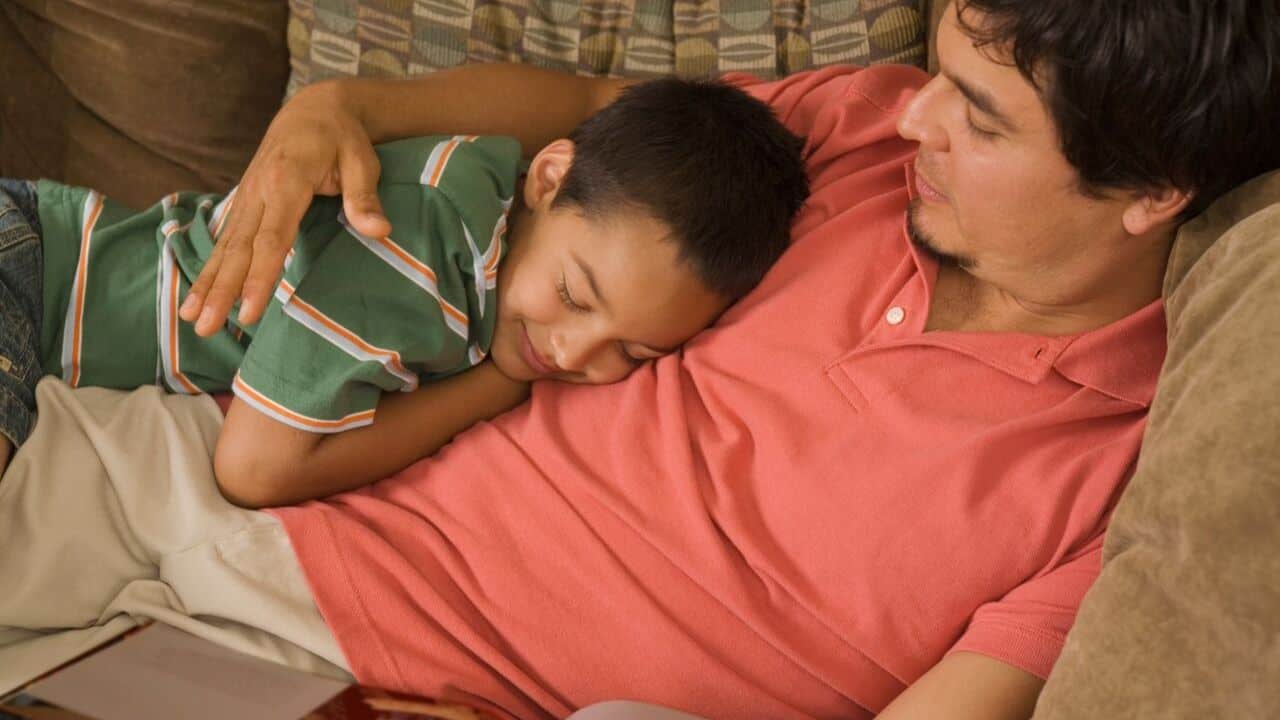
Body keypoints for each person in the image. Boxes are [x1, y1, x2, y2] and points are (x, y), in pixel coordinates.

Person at [2, 0, 1277, 718]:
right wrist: (350, 110)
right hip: (263, 499)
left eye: (978, 116)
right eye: (937, 71)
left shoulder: (1130, 458)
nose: (914, 113)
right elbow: (582, 126)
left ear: (1147, 192)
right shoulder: (851, 134)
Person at [0, 78, 808, 506]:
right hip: (32, 281)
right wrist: (497, 384)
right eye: (575, 293)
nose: (568, 352)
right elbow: (253, 471)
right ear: (550, 177)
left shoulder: (497, 185)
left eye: (632, 352)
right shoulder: (415, 253)